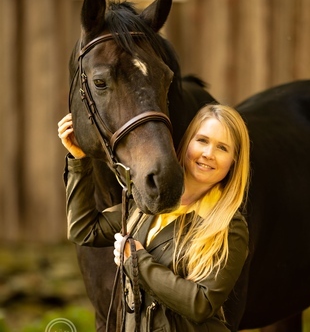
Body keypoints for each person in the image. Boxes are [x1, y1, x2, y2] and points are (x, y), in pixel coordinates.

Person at [57, 104, 250, 331]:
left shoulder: (230, 226)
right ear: (188, 142)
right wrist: (79, 159)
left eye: (222, 148)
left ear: (234, 160)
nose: (208, 153)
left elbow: (202, 304)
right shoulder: (150, 202)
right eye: (202, 140)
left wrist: (138, 261)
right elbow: (84, 230)